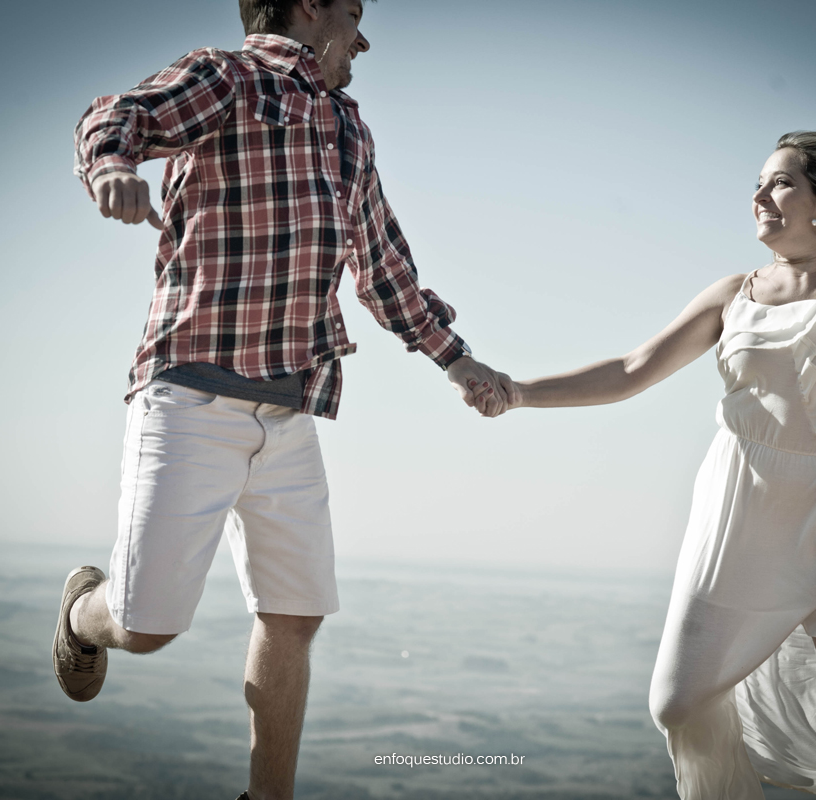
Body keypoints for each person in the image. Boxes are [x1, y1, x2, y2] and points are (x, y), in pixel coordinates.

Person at [484, 2, 816, 797]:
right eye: (757, 186)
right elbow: (634, 367)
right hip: (737, 512)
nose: (760, 198)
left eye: (779, 185)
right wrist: (520, 393)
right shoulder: (733, 294)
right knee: (674, 702)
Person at [52, 1, 511, 798]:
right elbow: (117, 114)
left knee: (295, 618)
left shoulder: (347, 128)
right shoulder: (226, 79)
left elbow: (384, 266)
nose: (364, 39)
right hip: (191, 396)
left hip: (294, 411)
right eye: (354, 13)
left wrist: (458, 362)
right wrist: (112, 167)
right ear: (308, 7)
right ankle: (79, 613)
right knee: (148, 629)